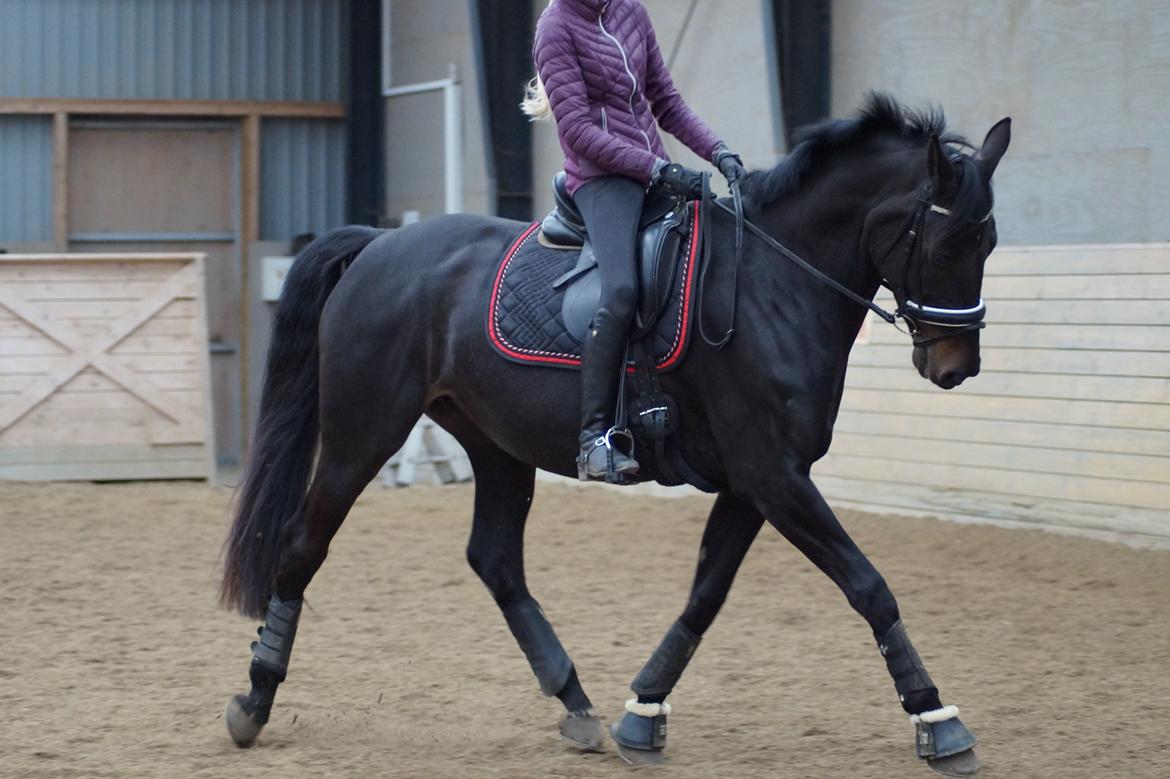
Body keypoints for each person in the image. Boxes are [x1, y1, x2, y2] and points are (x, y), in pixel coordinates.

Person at [523, 0, 745, 481]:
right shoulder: (556, 26)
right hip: (602, 181)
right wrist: (657, 169)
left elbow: (665, 100)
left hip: (653, 171)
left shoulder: (631, 11)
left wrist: (718, 150)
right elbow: (577, 130)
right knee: (621, 290)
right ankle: (594, 439)